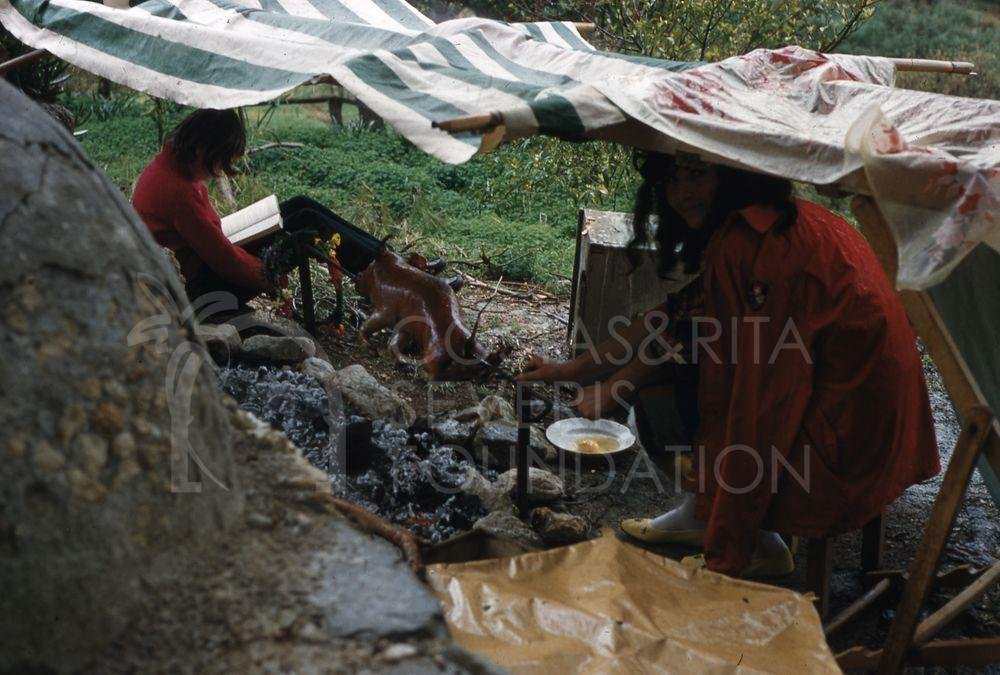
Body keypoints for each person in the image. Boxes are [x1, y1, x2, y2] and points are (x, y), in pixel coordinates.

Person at [518, 152, 940, 578]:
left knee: (661, 399)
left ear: (735, 173)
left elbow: (766, 399)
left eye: (698, 174)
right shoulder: (779, 221)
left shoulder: (759, 247)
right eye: (673, 178)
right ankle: (700, 514)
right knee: (676, 374)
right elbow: (671, 318)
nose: (683, 192)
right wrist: (567, 371)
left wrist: (731, 545)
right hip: (882, 427)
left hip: (844, 446)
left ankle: (756, 543)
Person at [132, 108, 445, 308]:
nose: (217, 174)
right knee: (306, 224)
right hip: (206, 288)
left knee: (300, 205)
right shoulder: (177, 191)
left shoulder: (173, 167)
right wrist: (266, 275)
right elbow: (225, 260)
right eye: (219, 164)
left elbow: (209, 239)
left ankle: (391, 262)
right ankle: (394, 275)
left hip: (209, 263)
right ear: (202, 150)